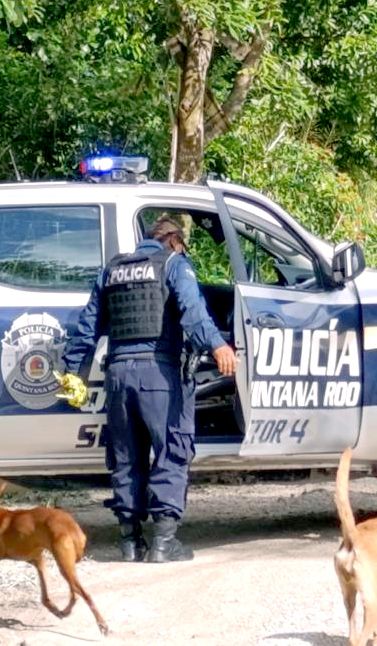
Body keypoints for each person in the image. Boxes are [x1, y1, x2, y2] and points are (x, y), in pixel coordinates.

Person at [58, 216, 236, 563]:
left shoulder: (111, 270)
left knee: (126, 455)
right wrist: (218, 346)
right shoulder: (173, 263)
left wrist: (72, 371)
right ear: (173, 241)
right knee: (171, 450)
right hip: (160, 373)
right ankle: (163, 543)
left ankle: (129, 542)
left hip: (118, 375)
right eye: (183, 246)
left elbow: (87, 326)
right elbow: (193, 310)